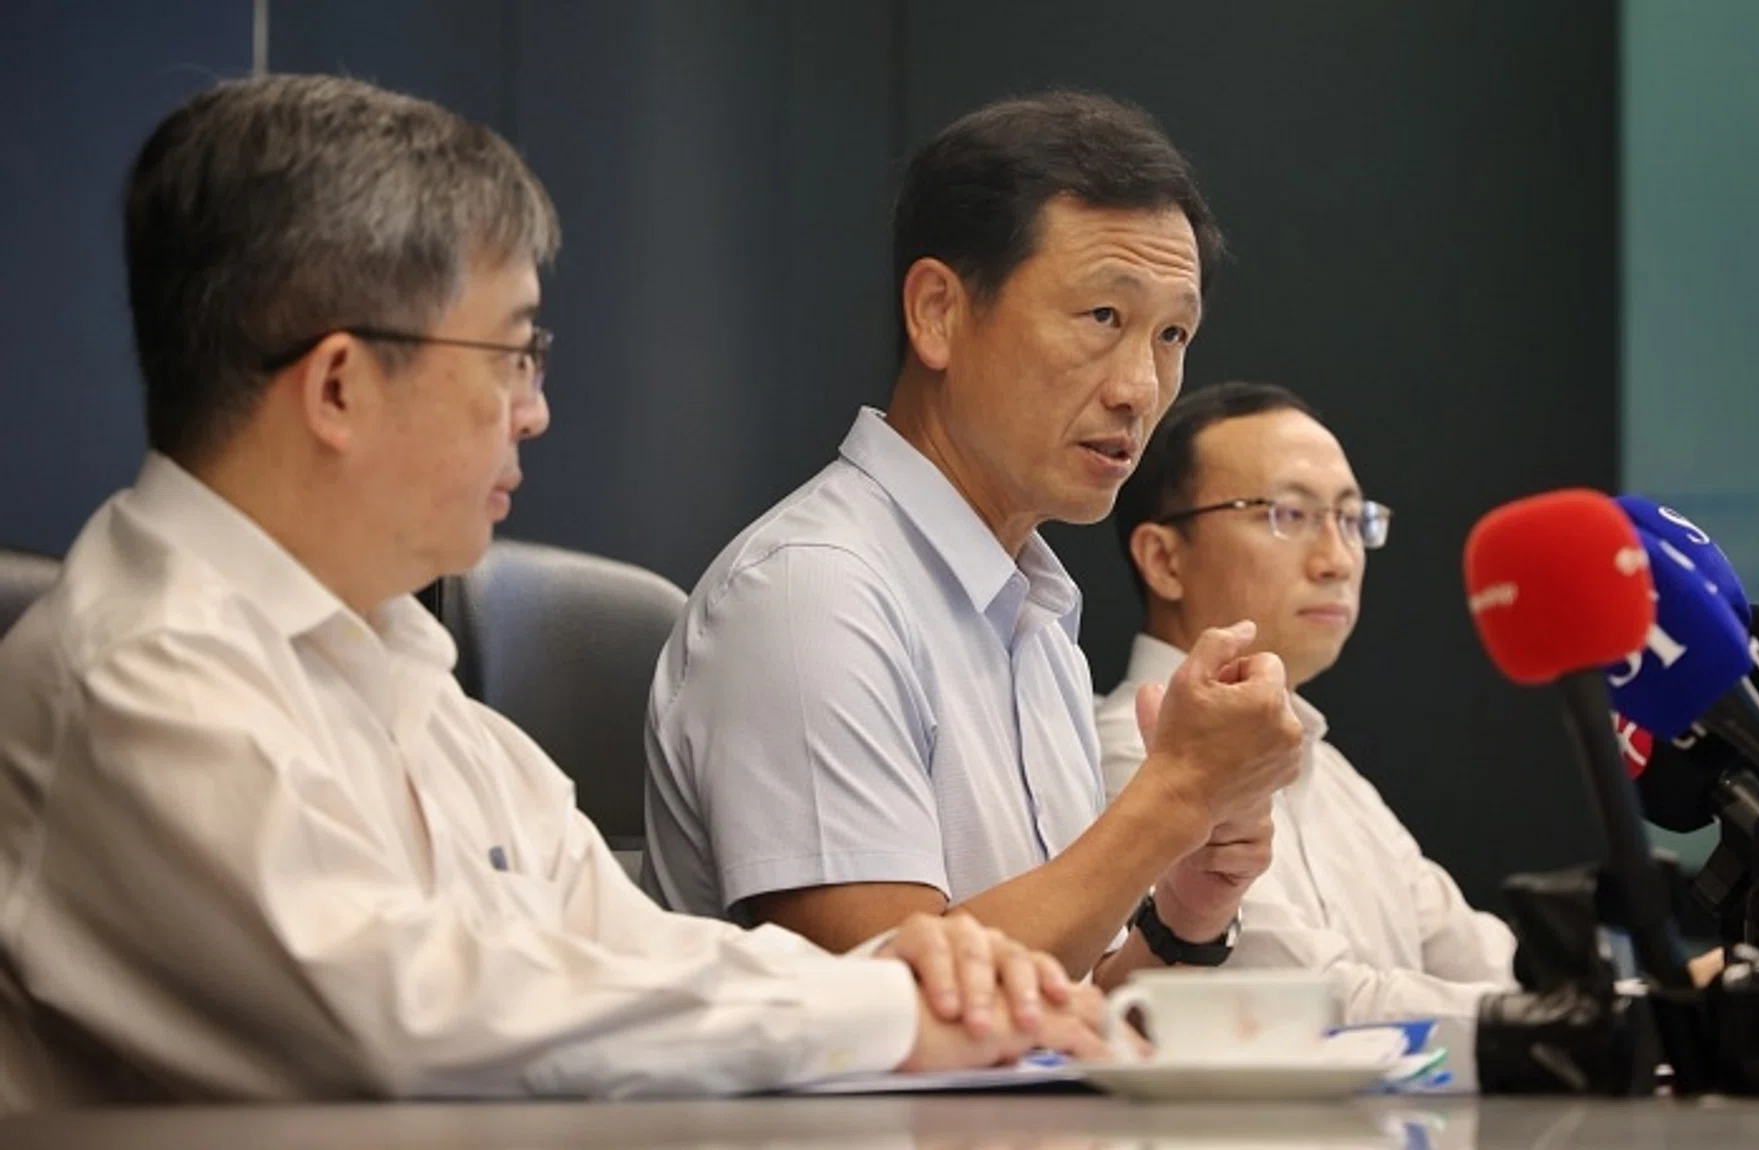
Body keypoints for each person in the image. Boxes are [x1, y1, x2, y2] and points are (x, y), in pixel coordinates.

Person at [0, 74, 1107, 1110]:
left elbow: (619, 946)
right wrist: (880, 1008)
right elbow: (420, 1014)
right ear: (339, 385)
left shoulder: (403, 670)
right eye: (512, 356)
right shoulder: (143, 667)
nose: (533, 411)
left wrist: (896, 970)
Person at [643, 92, 1303, 990]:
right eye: (1103, 318)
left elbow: (1050, 1015)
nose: (1140, 389)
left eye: (1172, 334)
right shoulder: (810, 596)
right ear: (938, 314)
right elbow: (899, 1000)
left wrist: (1184, 915)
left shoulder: (1029, 613)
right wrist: (1175, 796)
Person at [1097, 382, 1519, 1023]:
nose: (1337, 560)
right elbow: (1305, 1004)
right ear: (1164, 560)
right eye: (1288, 515)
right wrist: (1571, 1020)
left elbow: (1488, 964)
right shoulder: (1132, 753)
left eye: (1351, 520)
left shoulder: (1336, 777)